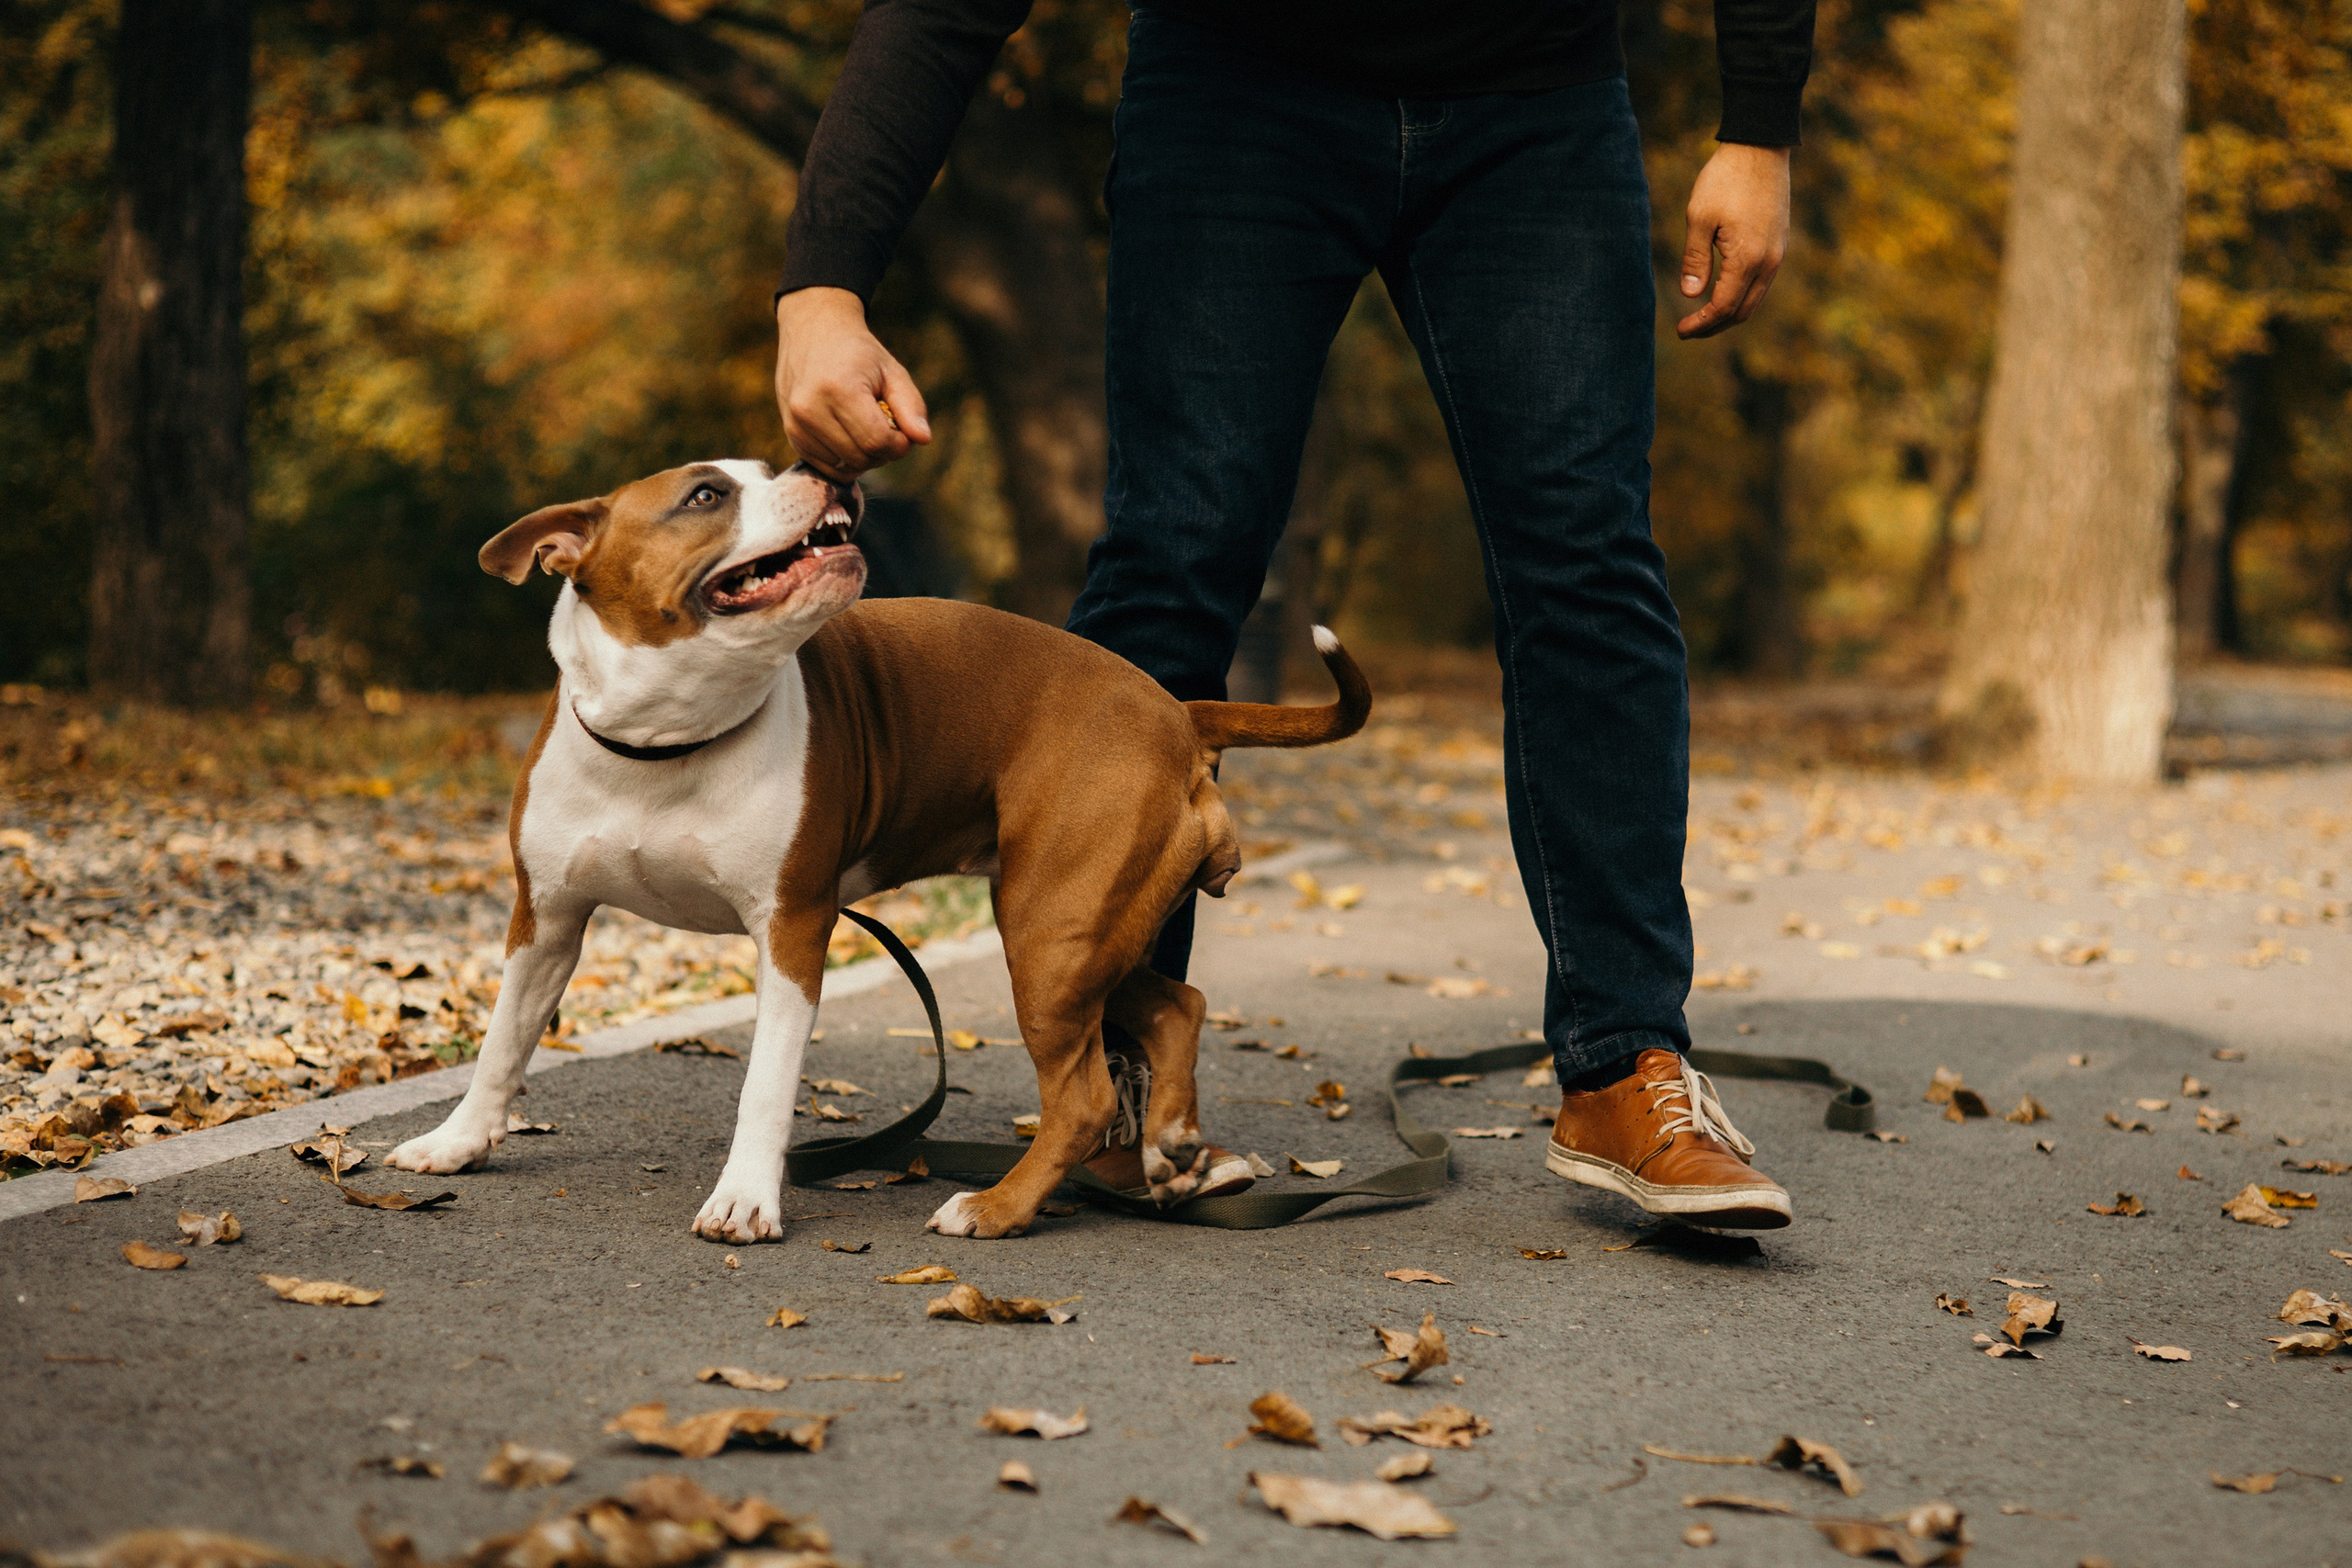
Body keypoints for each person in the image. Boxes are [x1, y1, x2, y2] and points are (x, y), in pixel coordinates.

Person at [772, 1, 1812, 1231]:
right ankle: (1107, 1084)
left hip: (1537, 94)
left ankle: (1624, 1065)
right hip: (1233, 90)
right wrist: (824, 285)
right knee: (1177, 553)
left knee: (1588, 556)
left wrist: (1758, 127)